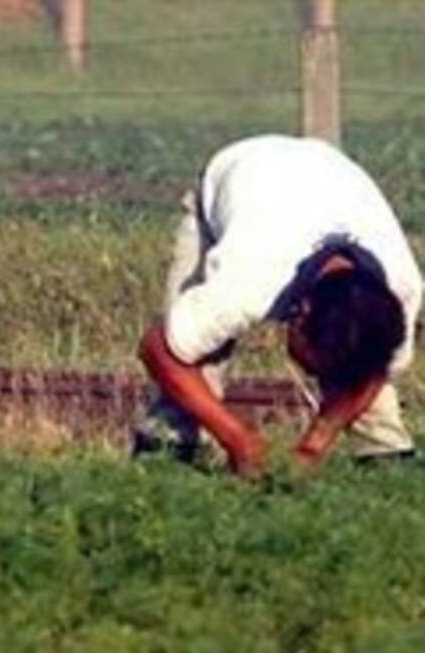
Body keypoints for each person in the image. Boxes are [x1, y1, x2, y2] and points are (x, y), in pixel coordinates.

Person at [134, 134, 422, 478]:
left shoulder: (401, 289)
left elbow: (376, 370)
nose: (321, 381)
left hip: (326, 177)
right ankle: (164, 463)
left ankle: (386, 474)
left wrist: (314, 445)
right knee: (193, 356)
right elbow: (159, 349)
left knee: (365, 374)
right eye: (316, 369)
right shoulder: (247, 280)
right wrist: (237, 439)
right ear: (299, 315)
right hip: (239, 175)